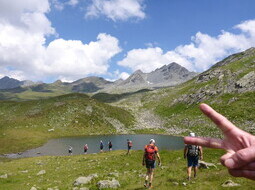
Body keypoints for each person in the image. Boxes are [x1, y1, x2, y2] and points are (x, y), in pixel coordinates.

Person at [184, 103, 255, 181]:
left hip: (190, 155)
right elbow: (200, 148)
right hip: (196, 155)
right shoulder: (196, 143)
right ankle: (195, 175)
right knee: (195, 165)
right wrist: (201, 155)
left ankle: (189, 176)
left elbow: (185, 149)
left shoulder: (188, 144)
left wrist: (185, 155)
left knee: (189, 165)